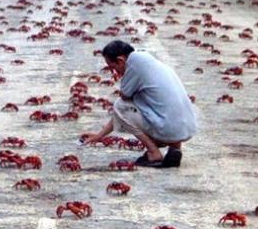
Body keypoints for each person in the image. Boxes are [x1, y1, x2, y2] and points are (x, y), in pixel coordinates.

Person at [81, 40, 197, 168]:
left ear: (120, 60)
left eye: (113, 68)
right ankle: (175, 149)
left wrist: (125, 80)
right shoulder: (150, 62)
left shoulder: (134, 66)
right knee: (157, 104)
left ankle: (153, 153)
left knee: (120, 105)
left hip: (168, 130)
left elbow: (123, 104)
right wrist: (99, 136)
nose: (115, 72)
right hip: (187, 128)